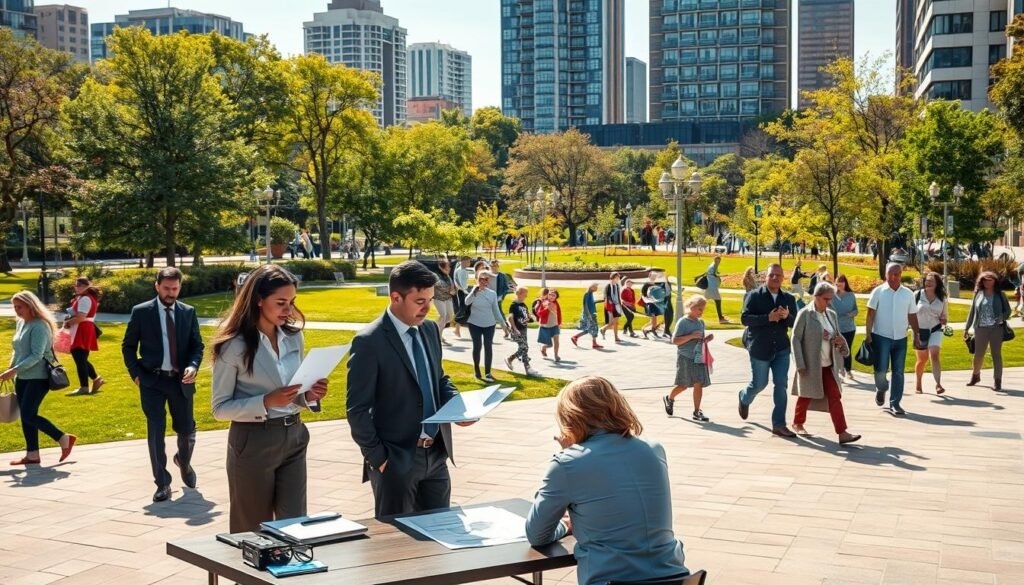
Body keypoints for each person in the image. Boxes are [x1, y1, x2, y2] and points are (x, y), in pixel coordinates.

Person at [525, 376, 689, 585]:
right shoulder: (654, 449)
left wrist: (565, 526)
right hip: (677, 578)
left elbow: (537, 535)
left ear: (570, 418)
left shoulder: (567, 464)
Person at [347, 260, 472, 518]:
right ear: (395, 297)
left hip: (436, 455)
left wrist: (458, 405)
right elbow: (357, 409)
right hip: (395, 460)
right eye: (420, 301)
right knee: (397, 546)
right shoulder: (369, 341)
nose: (428, 308)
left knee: (440, 538)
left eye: (430, 299)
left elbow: (438, 379)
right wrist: (379, 459)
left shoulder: (428, 329)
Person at [210, 265, 329, 532]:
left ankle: (293, 573)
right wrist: (265, 401)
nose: (288, 309)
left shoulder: (293, 338)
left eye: (291, 302)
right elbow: (219, 408)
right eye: (281, 302)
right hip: (253, 441)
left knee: (295, 524)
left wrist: (308, 396)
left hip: (295, 437)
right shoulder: (234, 346)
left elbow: (292, 393)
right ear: (258, 300)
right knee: (251, 527)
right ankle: (246, 575)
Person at [122, 267, 204, 502]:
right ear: (157, 286)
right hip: (151, 380)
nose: (171, 293)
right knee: (156, 432)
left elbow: (197, 345)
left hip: (181, 381)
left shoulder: (188, 312)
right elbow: (128, 346)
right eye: (167, 288)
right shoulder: (141, 312)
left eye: (175, 289)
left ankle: (184, 461)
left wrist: (193, 365)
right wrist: (135, 373)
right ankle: (162, 483)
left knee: (187, 430)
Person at [2, 291, 76, 466]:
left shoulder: (40, 325)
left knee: (28, 414)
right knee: (27, 415)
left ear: (30, 306)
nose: (16, 310)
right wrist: (11, 369)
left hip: (39, 377)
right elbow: (18, 350)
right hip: (23, 376)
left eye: (20, 307)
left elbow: (37, 355)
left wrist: (13, 370)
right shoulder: (21, 323)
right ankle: (32, 455)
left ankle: (63, 438)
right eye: (14, 307)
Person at [790, 282, 861, 444]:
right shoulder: (805, 314)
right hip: (810, 365)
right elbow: (795, 339)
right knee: (805, 394)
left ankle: (842, 433)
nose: (829, 302)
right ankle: (798, 423)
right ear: (816, 297)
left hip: (829, 365)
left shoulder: (831, 315)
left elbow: (838, 336)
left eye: (830, 299)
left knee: (835, 396)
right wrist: (800, 364)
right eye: (825, 299)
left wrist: (840, 342)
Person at [738, 263, 799, 437]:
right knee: (760, 384)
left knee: (781, 385)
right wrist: (768, 318)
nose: (775, 278)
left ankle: (779, 424)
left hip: (781, 348)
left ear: (783, 278)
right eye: (772, 275)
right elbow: (744, 318)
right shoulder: (754, 296)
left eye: (779, 275)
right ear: (766, 276)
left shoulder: (788, 298)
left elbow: (795, 322)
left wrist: (787, 317)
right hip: (760, 348)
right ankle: (744, 397)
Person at [865, 263, 921, 416]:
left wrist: (916, 334)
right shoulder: (878, 292)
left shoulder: (908, 294)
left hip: (900, 338)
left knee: (898, 372)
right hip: (881, 337)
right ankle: (881, 388)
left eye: (897, 274)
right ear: (886, 274)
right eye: (891, 274)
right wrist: (868, 333)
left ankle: (895, 403)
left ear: (901, 275)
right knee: (881, 370)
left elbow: (912, 315)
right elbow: (870, 314)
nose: (894, 277)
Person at [663, 295, 714, 422]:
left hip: (698, 356)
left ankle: (697, 411)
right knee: (683, 385)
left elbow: (699, 339)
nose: (702, 312)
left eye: (703, 309)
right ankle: (670, 398)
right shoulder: (683, 322)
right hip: (685, 357)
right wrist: (691, 336)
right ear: (691, 307)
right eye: (699, 309)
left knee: (699, 383)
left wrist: (706, 339)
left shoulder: (700, 322)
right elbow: (674, 341)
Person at [964, 270, 1012, 391]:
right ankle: (975, 375)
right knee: (978, 355)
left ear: (994, 281)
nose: (987, 282)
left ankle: (997, 381)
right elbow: (972, 312)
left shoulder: (1001, 294)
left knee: (996, 354)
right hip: (980, 328)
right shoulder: (978, 294)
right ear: (982, 281)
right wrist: (967, 327)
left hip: (996, 329)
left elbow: (1008, 312)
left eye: (990, 280)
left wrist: (1001, 318)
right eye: (985, 280)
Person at [465, 271, 509, 382]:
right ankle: (476, 370)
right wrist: (474, 291)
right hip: (474, 323)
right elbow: (466, 302)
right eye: (481, 279)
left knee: (488, 346)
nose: (483, 281)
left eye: (486, 279)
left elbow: (496, 310)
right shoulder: (473, 291)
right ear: (477, 279)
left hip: (489, 324)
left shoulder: (492, 294)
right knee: (477, 346)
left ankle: (488, 372)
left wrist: (503, 324)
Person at [64, 277, 104, 396]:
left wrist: (68, 322)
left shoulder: (85, 299)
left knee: (79, 358)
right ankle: (95, 379)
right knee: (81, 358)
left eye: (78, 285)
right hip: (82, 329)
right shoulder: (84, 298)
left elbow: (81, 317)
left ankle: (84, 387)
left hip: (83, 329)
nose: (76, 287)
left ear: (85, 286)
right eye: (75, 285)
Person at [913, 272, 949, 395]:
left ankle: (938, 384)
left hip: (935, 329)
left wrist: (943, 320)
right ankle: (918, 383)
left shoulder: (942, 298)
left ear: (937, 284)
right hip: (920, 331)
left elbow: (945, 317)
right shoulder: (917, 295)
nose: (928, 283)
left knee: (934, 355)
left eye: (931, 281)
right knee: (922, 359)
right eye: (926, 281)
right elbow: (910, 313)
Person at [504, 286, 538, 376]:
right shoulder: (514, 305)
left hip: (523, 329)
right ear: (519, 294)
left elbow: (527, 317)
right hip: (517, 330)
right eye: (525, 294)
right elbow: (510, 318)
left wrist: (532, 317)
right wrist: (515, 329)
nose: (526, 296)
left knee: (524, 348)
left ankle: (527, 369)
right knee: (524, 347)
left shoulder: (523, 305)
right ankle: (510, 359)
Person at [830, 274, 858, 380]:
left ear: (845, 283)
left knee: (847, 349)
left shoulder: (850, 295)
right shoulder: (832, 296)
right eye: (837, 282)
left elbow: (856, 310)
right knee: (836, 350)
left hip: (849, 328)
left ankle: (848, 370)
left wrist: (852, 314)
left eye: (841, 281)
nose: (839, 284)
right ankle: (838, 371)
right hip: (836, 328)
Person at [432, 257, 457, 346]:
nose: (449, 268)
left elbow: (453, 287)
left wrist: (453, 291)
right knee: (443, 316)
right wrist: (449, 290)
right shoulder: (436, 275)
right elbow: (439, 285)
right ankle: (439, 338)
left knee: (450, 317)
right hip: (438, 298)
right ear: (441, 267)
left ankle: (433, 327)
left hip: (448, 298)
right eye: (447, 266)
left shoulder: (448, 277)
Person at [571, 284, 603, 349]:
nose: (597, 288)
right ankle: (576, 337)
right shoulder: (587, 294)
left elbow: (592, 303)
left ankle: (593, 343)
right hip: (589, 315)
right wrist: (589, 315)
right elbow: (585, 305)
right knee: (592, 328)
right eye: (596, 287)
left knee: (592, 328)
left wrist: (602, 300)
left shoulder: (591, 294)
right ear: (591, 287)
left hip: (592, 314)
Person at [537, 289, 563, 362]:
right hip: (546, 326)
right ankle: (543, 348)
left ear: (556, 297)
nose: (551, 296)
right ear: (547, 295)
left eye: (553, 295)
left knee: (556, 341)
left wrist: (559, 323)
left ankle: (556, 355)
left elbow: (559, 314)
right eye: (550, 294)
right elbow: (539, 313)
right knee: (549, 344)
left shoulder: (556, 304)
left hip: (555, 325)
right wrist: (547, 309)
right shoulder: (544, 303)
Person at [704, 255, 730, 324]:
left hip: (711, 287)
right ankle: (721, 318)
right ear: (715, 260)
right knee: (718, 300)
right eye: (717, 261)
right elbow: (714, 275)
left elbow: (714, 273)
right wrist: (722, 276)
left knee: (703, 301)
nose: (718, 262)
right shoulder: (714, 266)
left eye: (719, 261)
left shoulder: (713, 265)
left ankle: (721, 317)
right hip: (712, 287)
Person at [641, 271, 667, 338]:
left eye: (655, 276)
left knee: (654, 321)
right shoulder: (646, 285)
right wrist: (649, 301)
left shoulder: (655, 285)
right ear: (649, 276)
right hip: (650, 304)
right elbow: (643, 295)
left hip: (655, 304)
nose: (654, 277)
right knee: (653, 320)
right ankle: (648, 330)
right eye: (653, 276)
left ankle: (647, 330)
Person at [451, 256, 471, 339]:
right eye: (468, 261)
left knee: (466, 310)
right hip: (462, 292)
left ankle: (456, 326)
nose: (469, 263)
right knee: (464, 309)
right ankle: (454, 322)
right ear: (463, 261)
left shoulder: (463, 270)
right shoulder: (460, 270)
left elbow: (464, 282)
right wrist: (465, 291)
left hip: (464, 291)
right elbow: (459, 283)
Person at [599, 273, 623, 343]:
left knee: (616, 322)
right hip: (610, 307)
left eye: (618, 278)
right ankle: (603, 329)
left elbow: (618, 296)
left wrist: (620, 305)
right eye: (616, 278)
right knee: (611, 323)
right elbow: (606, 296)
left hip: (617, 305)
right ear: (612, 278)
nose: (618, 279)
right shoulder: (608, 286)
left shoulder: (617, 286)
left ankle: (615, 336)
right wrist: (610, 301)